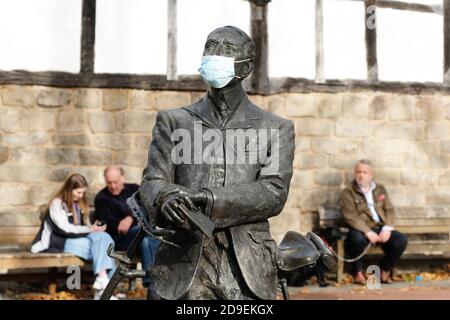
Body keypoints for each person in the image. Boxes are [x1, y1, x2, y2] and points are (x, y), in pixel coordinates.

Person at [139, 26, 295, 300]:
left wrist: (207, 197)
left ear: (245, 68)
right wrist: (164, 198)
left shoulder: (276, 128)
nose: (215, 54)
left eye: (227, 49)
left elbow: (273, 193)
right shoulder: (174, 120)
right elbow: (153, 181)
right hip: (184, 260)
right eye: (210, 46)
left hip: (247, 263)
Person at [31, 173, 117, 300]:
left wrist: (94, 228)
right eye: (78, 192)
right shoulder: (57, 204)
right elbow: (64, 229)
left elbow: (84, 226)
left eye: (83, 192)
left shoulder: (79, 204)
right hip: (59, 241)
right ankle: (105, 290)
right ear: (69, 189)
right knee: (105, 246)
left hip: (77, 239)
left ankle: (102, 280)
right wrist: (90, 229)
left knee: (104, 238)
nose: (81, 196)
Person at [94, 166, 160, 298]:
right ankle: (160, 279)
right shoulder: (101, 198)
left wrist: (130, 217)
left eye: (115, 182)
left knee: (146, 241)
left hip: (141, 238)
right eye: (109, 182)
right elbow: (106, 222)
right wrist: (121, 223)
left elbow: (146, 209)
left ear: (122, 178)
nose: (112, 186)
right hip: (119, 240)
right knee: (146, 232)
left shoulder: (134, 190)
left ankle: (151, 285)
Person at [340, 159, 408, 285]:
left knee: (400, 240)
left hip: (380, 227)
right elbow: (350, 216)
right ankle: (357, 272)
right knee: (355, 239)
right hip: (361, 229)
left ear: (371, 174)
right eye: (358, 172)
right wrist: (368, 232)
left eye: (364, 172)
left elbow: (390, 210)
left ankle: (385, 269)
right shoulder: (348, 192)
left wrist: (387, 228)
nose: (361, 175)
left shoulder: (380, 189)